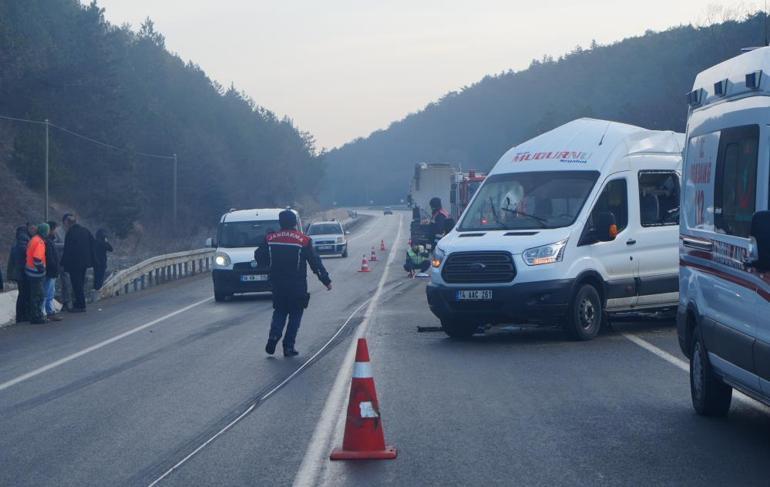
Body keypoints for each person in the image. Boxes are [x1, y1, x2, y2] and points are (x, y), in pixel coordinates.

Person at [255, 209, 332, 357]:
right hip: (297, 285)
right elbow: (315, 262)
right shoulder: (303, 240)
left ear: (280, 222)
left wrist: (265, 267)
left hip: (277, 284)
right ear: (295, 223)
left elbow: (259, 255)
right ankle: (288, 346)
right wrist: (326, 281)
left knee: (280, 311)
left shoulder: (270, 238)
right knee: (296, 314)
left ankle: (274, 336)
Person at [60, 214, 94, 312]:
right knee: (81, 282)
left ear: (68, 223)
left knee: (76, 284)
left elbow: (68, 249)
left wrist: (64, 263)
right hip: (85, 262)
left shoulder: (71, 233)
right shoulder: (85, 231)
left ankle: (80, 305)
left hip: (74, 263)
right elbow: (92, 244)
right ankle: (79, 303)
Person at [26, 223, 48, 325]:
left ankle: (34, 315)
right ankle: (36, 316)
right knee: (39, 295)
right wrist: (42, 270)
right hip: (36, 273)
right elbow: (37, 258)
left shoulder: (33, 239)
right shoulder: (40, 242)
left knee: (34, 294)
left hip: (30, 271)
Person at [7, 226, 30, 323]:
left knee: (22, 294)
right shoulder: (23, 244)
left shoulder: (17, 244)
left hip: (18, 273)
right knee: (24, 294)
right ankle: (22, 316)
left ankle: (20, 316)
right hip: (23, 273)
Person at [43, 221, 63, 321]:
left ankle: (49, 312)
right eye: (55, 229)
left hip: (51, 271)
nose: (56, 231)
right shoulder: (47, 242)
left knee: (50, 292)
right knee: (47, 293)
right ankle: (45, 313)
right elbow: (50, 258)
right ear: (50, 230)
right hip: (50, 271)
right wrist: (55, 268)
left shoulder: (49, 241)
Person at [56, 214, 73, 312]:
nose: (70, 222)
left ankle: (71, 301)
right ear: (64, 221)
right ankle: (66, 302)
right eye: (68, 220)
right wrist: (66, 245)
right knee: (65, 282)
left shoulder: (73, 230)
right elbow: (52, 244)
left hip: (73, 260)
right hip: (61, 259)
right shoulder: (58, 231)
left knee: (72, 281)